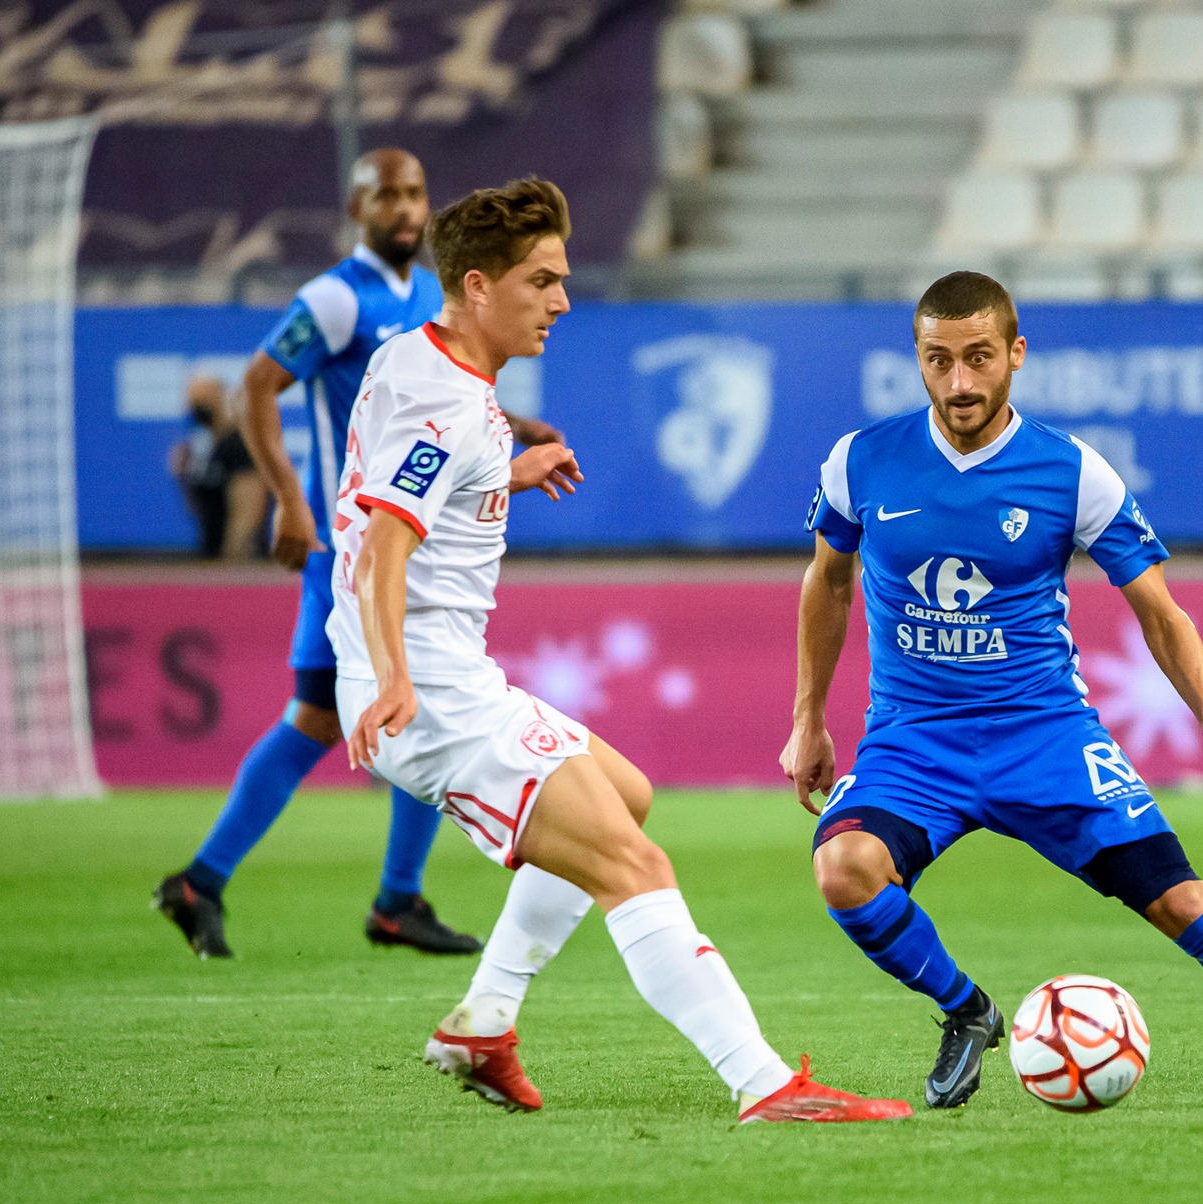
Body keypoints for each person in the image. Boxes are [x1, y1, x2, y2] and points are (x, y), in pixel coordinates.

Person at [333, 178, 910, 1124]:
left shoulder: (419, 363)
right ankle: (764, 1084)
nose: (561, 301)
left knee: (627, 793)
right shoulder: (445, 400)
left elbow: (396, 501)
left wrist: (505, 474)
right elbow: (385, 546)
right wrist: (393, 674)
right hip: (432, 691)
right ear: (478, 286)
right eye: (541, 280)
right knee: (635, 865)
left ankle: (484, 1021)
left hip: (444, 676)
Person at [780, 271, 1203, 1112]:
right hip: (913, 741)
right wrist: (808, 719)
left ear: (1016, 354)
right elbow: (827, 583)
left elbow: (1161, 612)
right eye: (938, 360)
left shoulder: (1072, 472)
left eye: (979, 357)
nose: (960, 382)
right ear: (916, 360)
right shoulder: (861, 460)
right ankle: (967, 1010)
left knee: (1183, 901)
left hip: (1046, 739)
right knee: (843, 868)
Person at [152, 148, 558, 959]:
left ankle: (374, 895)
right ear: (356, 208)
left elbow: (442, 400)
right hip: (361, 547)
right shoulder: (336, 297)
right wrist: (291, 502)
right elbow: (259, 384)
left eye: (415, 193)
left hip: (415, 540)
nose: (405, 208)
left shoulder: (426, 293)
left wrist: (508, 435)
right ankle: (235, 879)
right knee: (337, 712)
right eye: (388, 196)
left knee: (375, 710)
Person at [167, 375, 266, 560]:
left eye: (202, 400)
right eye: (192, 402)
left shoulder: (237, 446)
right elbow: (199, 507)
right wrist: (181, 477)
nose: (196, 408)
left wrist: (231, 561)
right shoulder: (202, 445)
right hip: (210, 554)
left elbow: (247, 514)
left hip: (231, 562)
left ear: (221, 399)